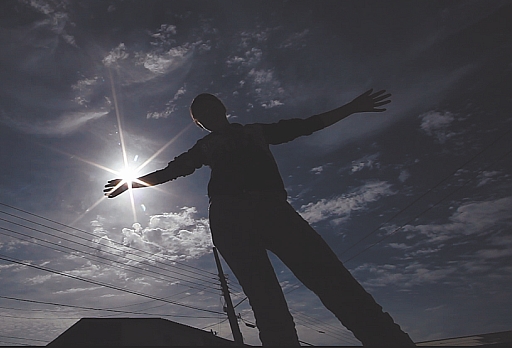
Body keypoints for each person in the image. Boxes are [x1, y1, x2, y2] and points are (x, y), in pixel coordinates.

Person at [104, 89, 415, 346]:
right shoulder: (205, 147)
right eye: (201, 114)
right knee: (268, 306)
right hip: (228, 217)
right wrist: (131, 183)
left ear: (222, 108)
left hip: (273, 209)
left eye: (211, 106)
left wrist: (351, 107)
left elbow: (303, 125)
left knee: (334, 281)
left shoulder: (255, 132)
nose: (208, 113)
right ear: (200, 123)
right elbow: (172, 171)